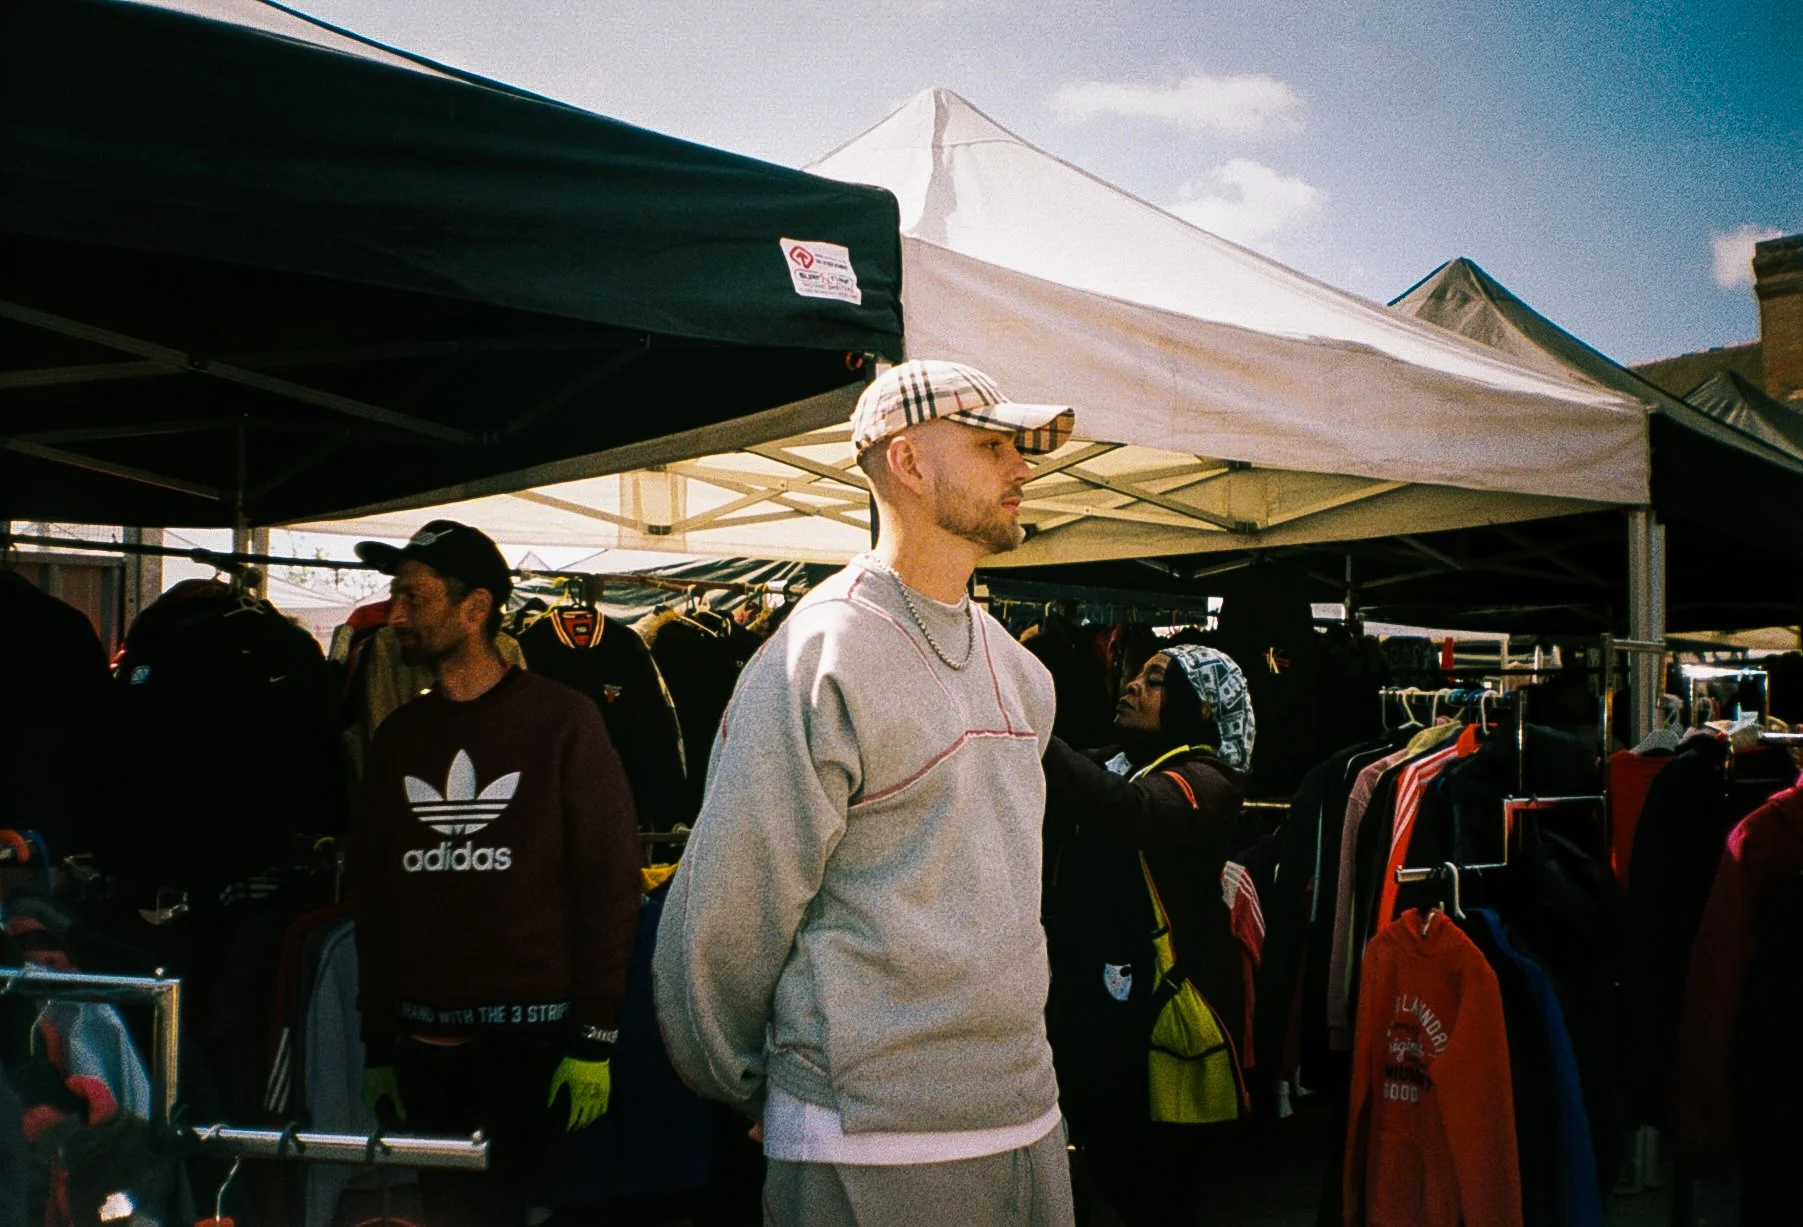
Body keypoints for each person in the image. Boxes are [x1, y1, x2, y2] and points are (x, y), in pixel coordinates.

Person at [653, 359, 1079, 1227]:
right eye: (994, 445)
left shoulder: (1023, 674)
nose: (1022, 469)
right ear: (909, 463)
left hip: (1024, 1111)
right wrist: (753, 1084)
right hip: (865, 1136)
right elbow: (730, 907)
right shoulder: (821, 657)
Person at [349, 521, 640, 1227]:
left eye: (414, 598)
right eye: (395, 597)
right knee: (443, 1212)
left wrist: (594, 1035)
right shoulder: (398, 738)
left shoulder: (562, 722)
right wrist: (378, 1038)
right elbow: (376, 898)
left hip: (528, 1044)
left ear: (474, 607)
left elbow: (609, 883)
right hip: (422, 1046)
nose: (395, 617)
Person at [1040, 645, 1255, 1226]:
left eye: (1155, 681)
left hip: (1154, 1016)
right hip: (1098, 1007)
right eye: (1135, 674)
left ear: (1199, 709)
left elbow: (1132, 810)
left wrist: (1030, 725)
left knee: (1150, 1180)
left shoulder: (1209, 781)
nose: (1131, 686)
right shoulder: (1116, 760)